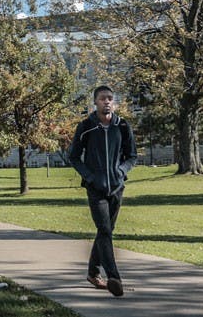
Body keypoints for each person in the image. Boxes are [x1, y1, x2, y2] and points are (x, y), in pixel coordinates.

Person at [68, 85, 136, 298]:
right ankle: (114, 277)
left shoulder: (123, 126)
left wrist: (121, 172)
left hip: (116, 187)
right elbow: (73, 156)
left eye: (110, 98)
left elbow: (131, 156)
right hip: (95, 188)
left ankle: (92, 272)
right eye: (102, 98)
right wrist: (89, 177)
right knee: (105, 230)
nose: (107, 101)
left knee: (106, 231)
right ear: (95, 102)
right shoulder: (86, 127)